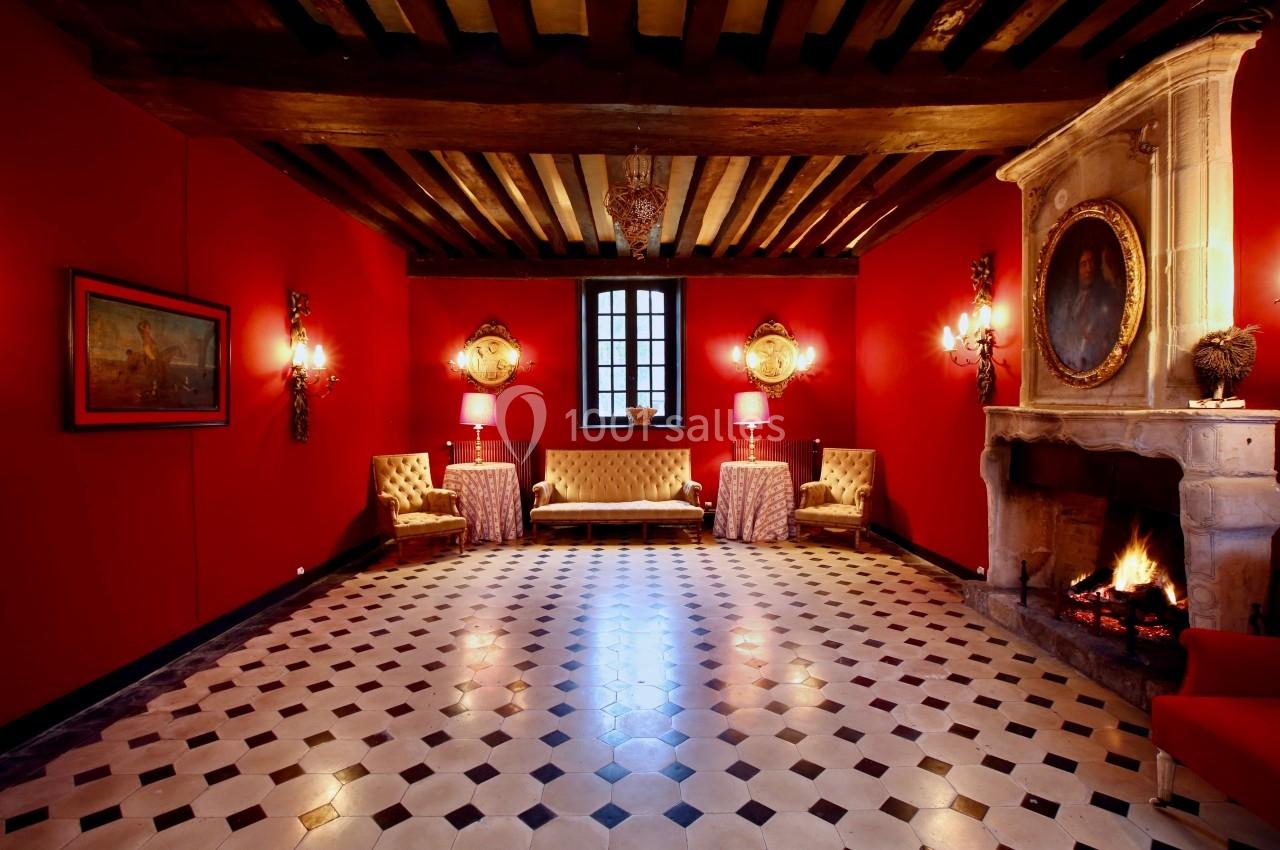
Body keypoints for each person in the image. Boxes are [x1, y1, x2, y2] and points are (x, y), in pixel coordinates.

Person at [1047, 242, 1124, 373]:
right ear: (1077, 270)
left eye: (1092, 263)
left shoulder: (1106, 298)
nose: (1089, 269)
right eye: (1084, 264)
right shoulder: (1070, 302)